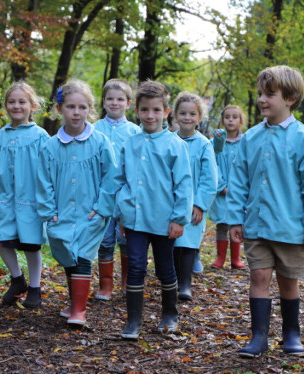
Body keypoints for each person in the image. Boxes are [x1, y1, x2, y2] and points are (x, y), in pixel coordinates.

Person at [227, 65, 304, 357]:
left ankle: (291, 334)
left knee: (288, 282)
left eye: (269, 94)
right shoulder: (250, 138)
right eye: (260, 93)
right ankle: (258, 337)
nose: (262, 99)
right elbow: (238, 181)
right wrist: (235, 217)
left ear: (290, 98)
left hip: (289, 228)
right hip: (256, 226)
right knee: (258, 278)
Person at [115, 81, 193, 339]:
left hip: (164, 220)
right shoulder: (130, 143)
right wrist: (122, 215)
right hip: (135, 220)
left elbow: (184, 184)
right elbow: (120, 180)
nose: (150, 115)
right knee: (136, 266)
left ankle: (169, 314)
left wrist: (179, 219)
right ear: (136, 110)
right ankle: (133, 321)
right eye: (145, 110)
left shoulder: (175, 145)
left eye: (156, 110)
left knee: (165, 269)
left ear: (166, 112)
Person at [36, 79, 117, 326]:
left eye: (82, 107)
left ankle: (79, 311)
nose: (76, 112)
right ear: (60, 109)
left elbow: (111, 176)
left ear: (90, 109)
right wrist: (49, 211)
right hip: (60, 212)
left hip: (90, 211)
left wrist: (101, 207)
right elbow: (43, 181)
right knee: (68, 254)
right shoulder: (50, 146)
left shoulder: (100, 141)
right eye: (71, 107)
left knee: (82, 253)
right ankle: (74, 301)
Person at [0, 81, 50, 308]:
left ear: (32, 105)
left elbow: (49, 167)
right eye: (12, 102)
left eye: (22, 102)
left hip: (30, 198)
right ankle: (17, 279)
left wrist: (48, 194)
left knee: (30, 243)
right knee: (2, 239)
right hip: (2, 196)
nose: (16, 106)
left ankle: (36, 287)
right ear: (5, 106)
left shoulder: (40, 136)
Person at [93, 79, 141, 300]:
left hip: (126, 194)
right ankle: (105, 285)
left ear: (129, 104)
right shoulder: (93, 129)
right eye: (110, 99)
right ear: (103, 102)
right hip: (101, 194)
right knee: (104, 241)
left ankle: (126, 282)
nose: (115, 103)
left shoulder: (135, 132)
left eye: (120, 99)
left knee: (126, 240)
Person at [172, 91, 217, 300]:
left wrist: (200, 204)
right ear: (175, 115)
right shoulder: (169, 141)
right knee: (172, 242)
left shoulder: (204, 144)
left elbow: (210, 178)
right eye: (182, 113)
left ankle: (185, 285)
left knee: (189, 244)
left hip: (194, 205)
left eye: (192, 114)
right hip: (171, 203)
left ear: (199, 117)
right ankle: (171, 280)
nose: (187, 118)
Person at [208, 105, 247, 270]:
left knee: (237, 222)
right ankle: (220, 257)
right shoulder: (215, 142)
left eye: (234, 117)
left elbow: (248, 166)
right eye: (227, 117)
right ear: (222, 120)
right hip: (222, 192)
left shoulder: (246, 142)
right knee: (222, 224)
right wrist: (222, 186)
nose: (230, 120)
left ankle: (236, 258)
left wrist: (239, 187)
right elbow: (212, 166)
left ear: (240, 121)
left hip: (239, 192)